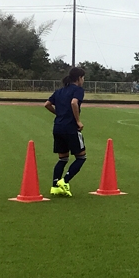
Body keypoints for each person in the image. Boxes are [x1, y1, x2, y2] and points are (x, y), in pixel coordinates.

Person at [44, 67, 87, 197]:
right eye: (83, 78)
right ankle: (65, 181)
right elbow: (74, 103)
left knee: (63, 158)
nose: (83, 80)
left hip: (58, 127)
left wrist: (59, 114)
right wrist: (78, 121)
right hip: (70, 128)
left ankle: (55, 186)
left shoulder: (59, 91)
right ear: (79, 78)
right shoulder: (78, 90)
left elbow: (47, 104)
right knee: (81, 157)